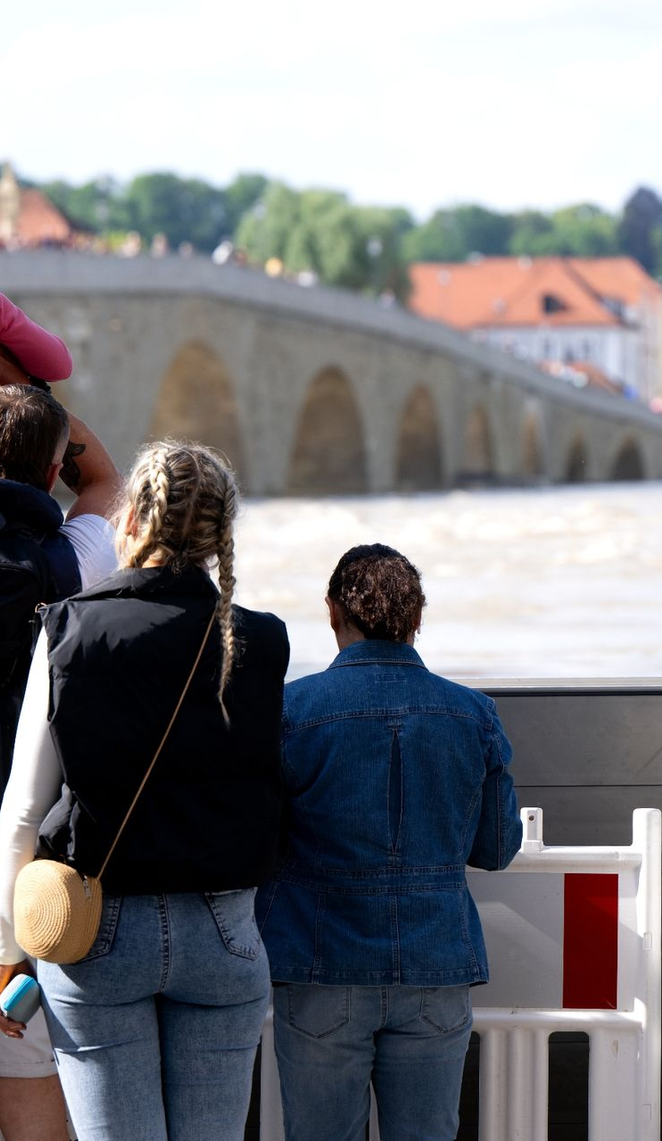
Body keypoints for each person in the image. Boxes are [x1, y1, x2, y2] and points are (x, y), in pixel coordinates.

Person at [0, 441, 289, 1141]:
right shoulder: (260, 640)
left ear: (132, 519)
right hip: (224, 931)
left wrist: (9, 950)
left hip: (98, 927)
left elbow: (22, 810)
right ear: (222, 533)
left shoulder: (71, 627)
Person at [256, 543, 522, 1141]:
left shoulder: (290, 711)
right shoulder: (472, 713)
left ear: (331, 612)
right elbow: (498, 848)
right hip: (435, 963)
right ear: (417, 618)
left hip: (320, 964)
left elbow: (258, 842)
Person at [0, 301, 121, 1141]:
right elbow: (108, 480)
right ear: (49, 472)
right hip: (26, 869)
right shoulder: (71, 562)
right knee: (28, 1082)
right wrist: (48, 419)